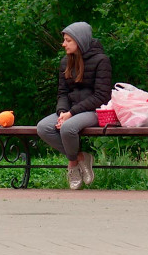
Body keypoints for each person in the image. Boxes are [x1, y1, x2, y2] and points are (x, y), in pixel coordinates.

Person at [37, 22, 112, 190]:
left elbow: (101, 96)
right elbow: (62, 93)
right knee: (43, 127)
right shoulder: (65, 62)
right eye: (64, 40)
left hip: (93, 111)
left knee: (68, 128)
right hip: (70, 111)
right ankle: (79, 158)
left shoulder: (101, 61)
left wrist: (71, 114)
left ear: (80, 41)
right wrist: (62, 111)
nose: (64, 44)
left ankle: (72, 165)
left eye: (68, 40)